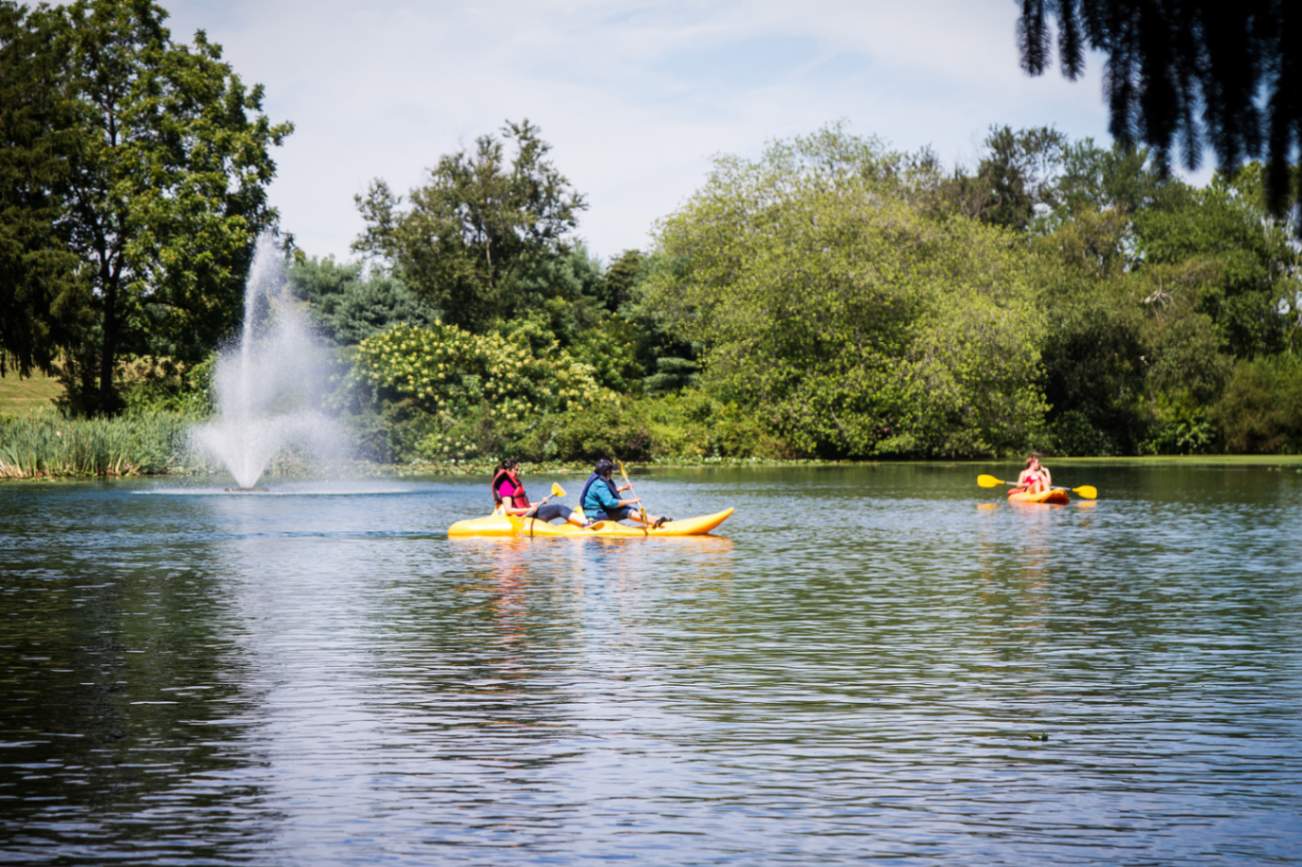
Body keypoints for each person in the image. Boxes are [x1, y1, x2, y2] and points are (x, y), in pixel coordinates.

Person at [490, 459, 585, 527]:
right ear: (508, 471)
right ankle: (585, 523)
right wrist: (529, 509)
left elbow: (520, 504)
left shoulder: (514, 483)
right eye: (516, 470)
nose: (518, 472)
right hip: (526, 516)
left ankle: (578, 522)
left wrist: (538, 503)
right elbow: (509, 510)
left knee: (558, 508)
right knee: (559, 508)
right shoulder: (505, 486)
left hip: (530, 512)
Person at [579, 458, 671, 528]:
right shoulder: (599, 484)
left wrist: (623, 488)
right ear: (607, 471)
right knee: (625, 511)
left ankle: (655, 519)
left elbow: (606, 494)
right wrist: (632, 500)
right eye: (611, 470)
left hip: (599, 511)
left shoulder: (600, 480)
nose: (612, 472)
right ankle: (655, 522)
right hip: (594, 515)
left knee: (629, 509)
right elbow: (610, 503)